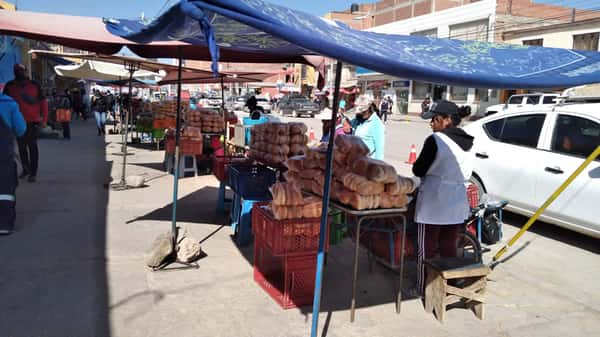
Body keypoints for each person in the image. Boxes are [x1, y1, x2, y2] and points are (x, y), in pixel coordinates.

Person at [411, 100, 475, 295]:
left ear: (447, 120)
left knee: (426, 250)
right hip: (456, 201)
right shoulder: (469, 142)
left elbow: (418, 169)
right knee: (448, 248)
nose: (431, 124)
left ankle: (424, 288)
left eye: (435, 120)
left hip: (434, 201)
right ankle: (449, 287)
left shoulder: (436, 140)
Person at [3, 64, 47, 182]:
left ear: (26, 71)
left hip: (32, 122)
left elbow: (43, 103)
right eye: (17, 70)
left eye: (21, 70)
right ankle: (26, 169)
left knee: (32, 146)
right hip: (16, 122)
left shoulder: (34, 85)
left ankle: (33, 172)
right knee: (21, 147)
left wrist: (44, 120)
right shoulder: (10, 86)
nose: (19, 72)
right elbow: (4, 103)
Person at [0, 91, 26, 235]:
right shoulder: (9, 103)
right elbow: (21, 129)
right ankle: (4, 224)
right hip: (3, 153)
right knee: (4, 189)